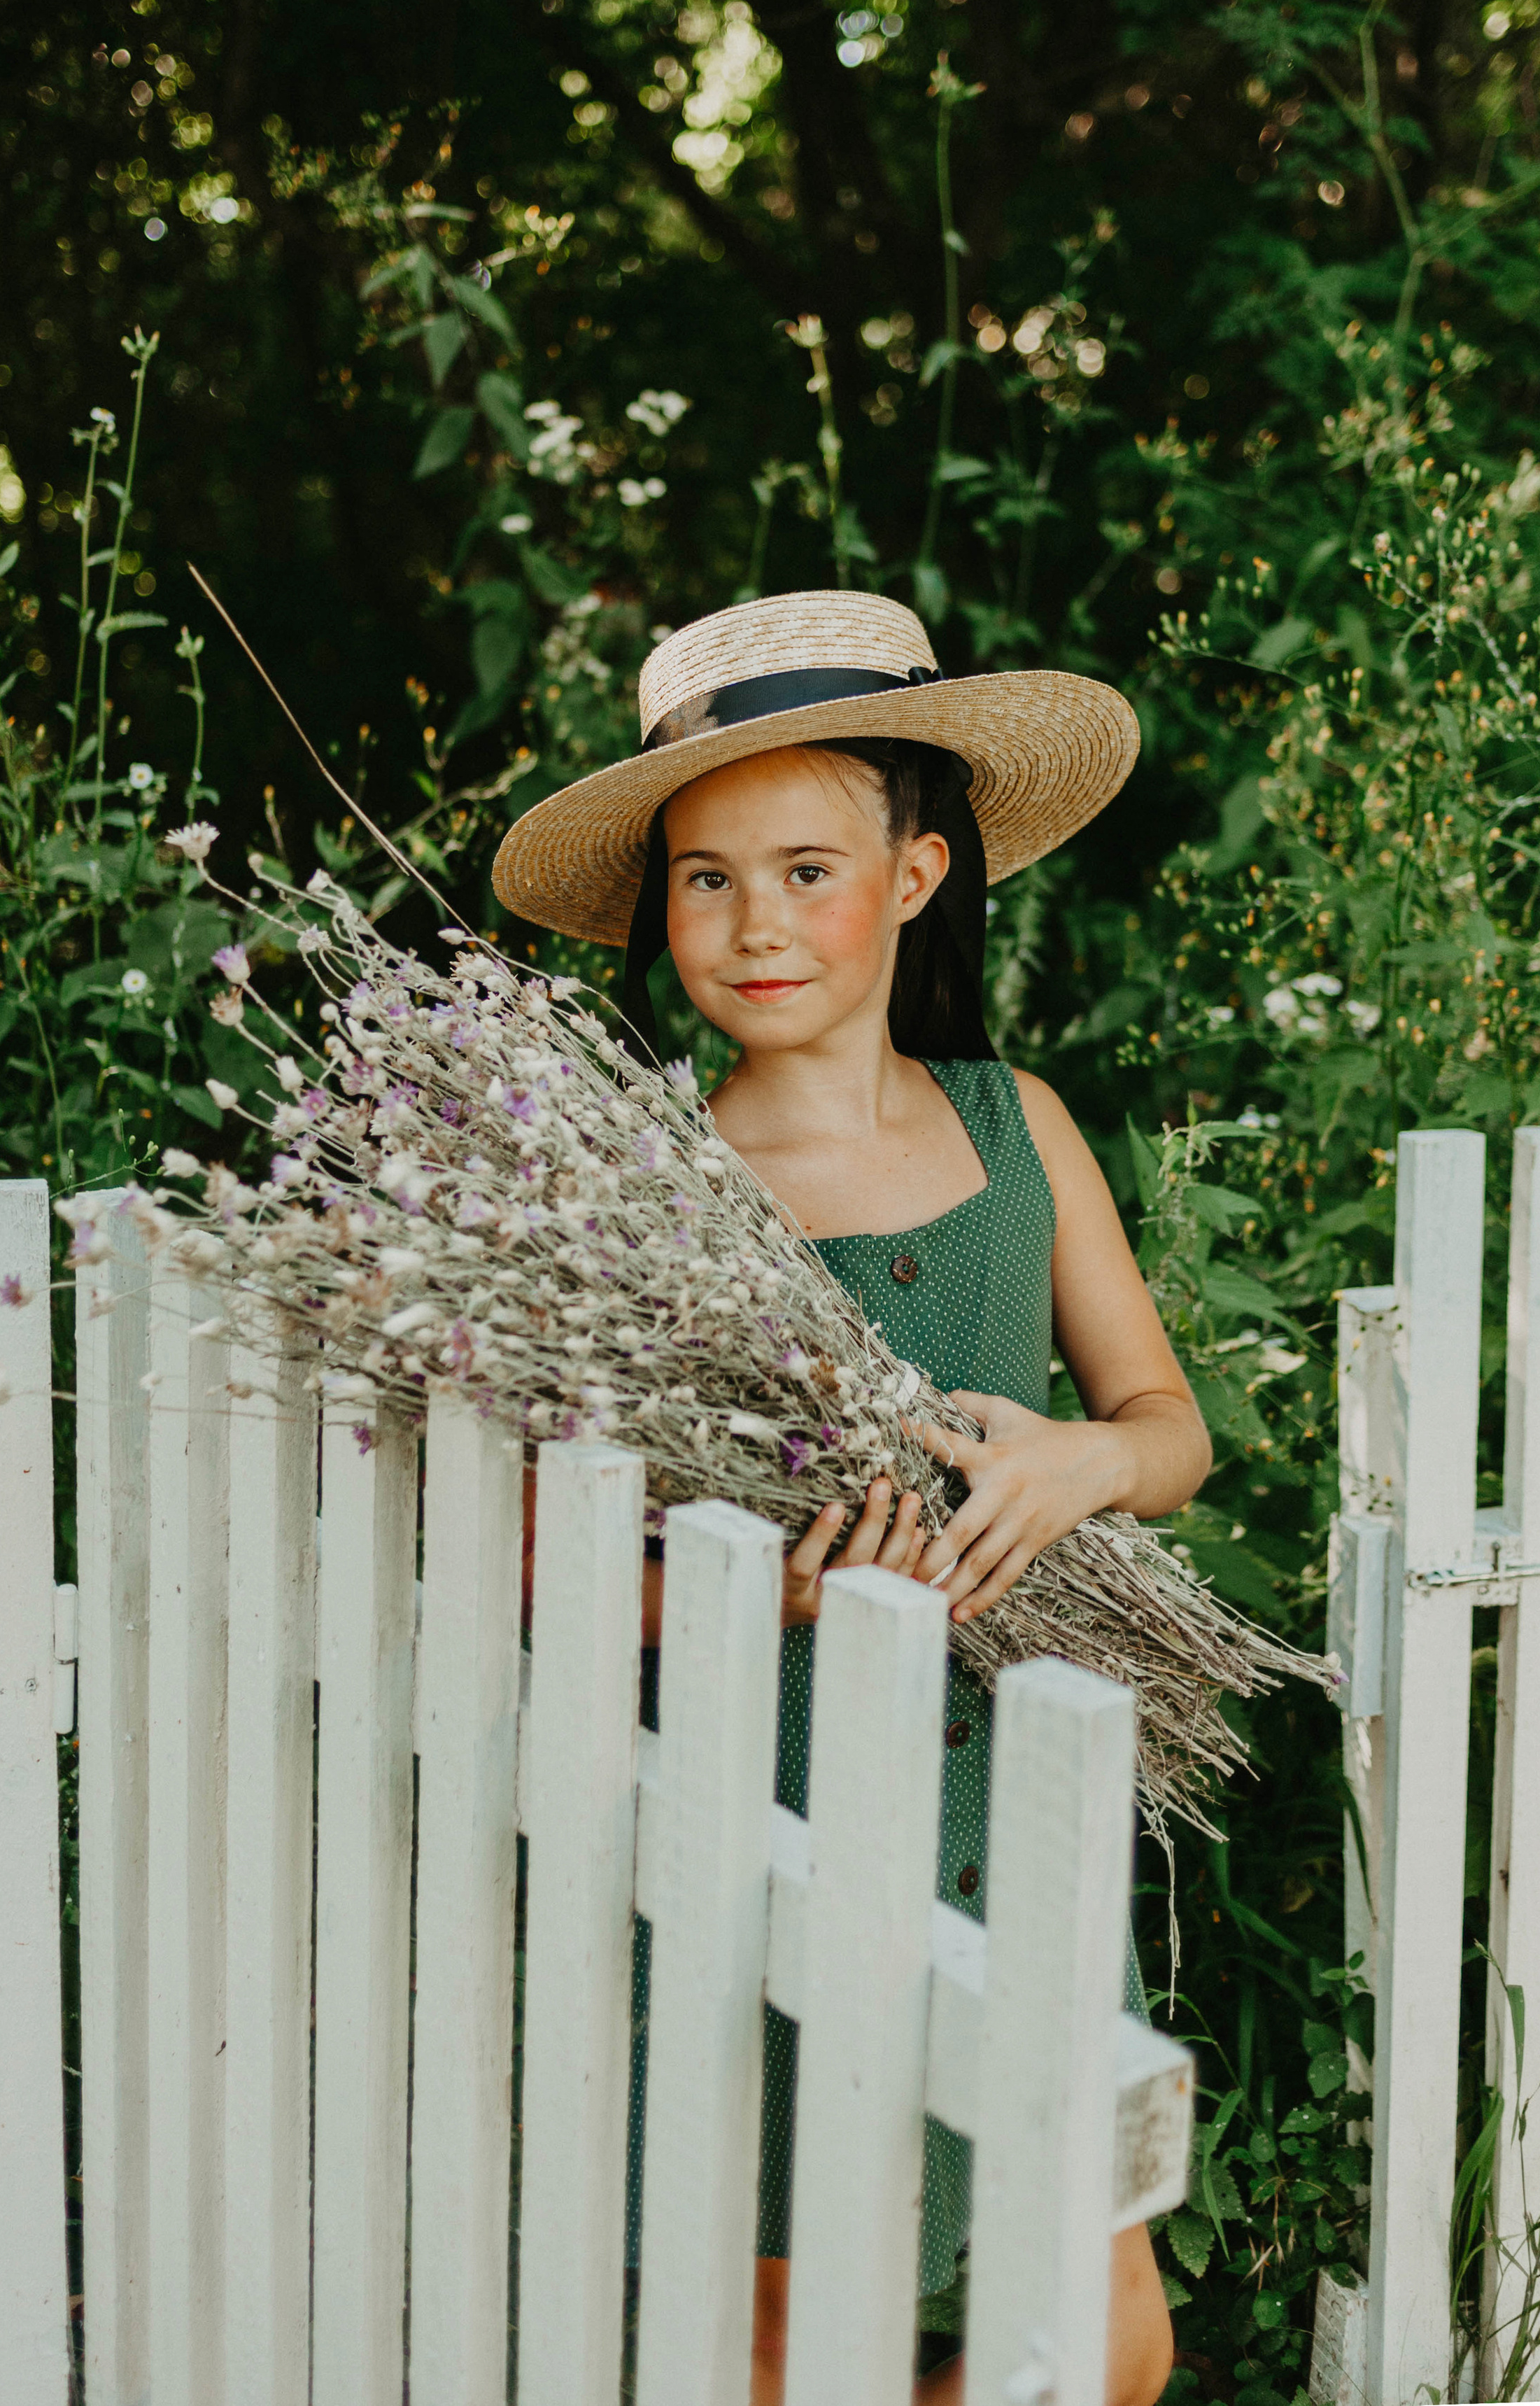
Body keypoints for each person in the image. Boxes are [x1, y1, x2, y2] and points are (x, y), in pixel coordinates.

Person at [493, 591, 1207, 2406]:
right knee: (791, 2352)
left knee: (1108, 2344)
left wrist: (1079, 1462)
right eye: (707, 879)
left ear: (914, 876)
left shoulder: (1011, 1120)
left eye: (809, 868)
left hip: (1012, 1816)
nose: (756, 922)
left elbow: (1166, 1424)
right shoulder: (637, 1185)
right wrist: (770, 1591)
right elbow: (537, 1568)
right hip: (767, 1819)